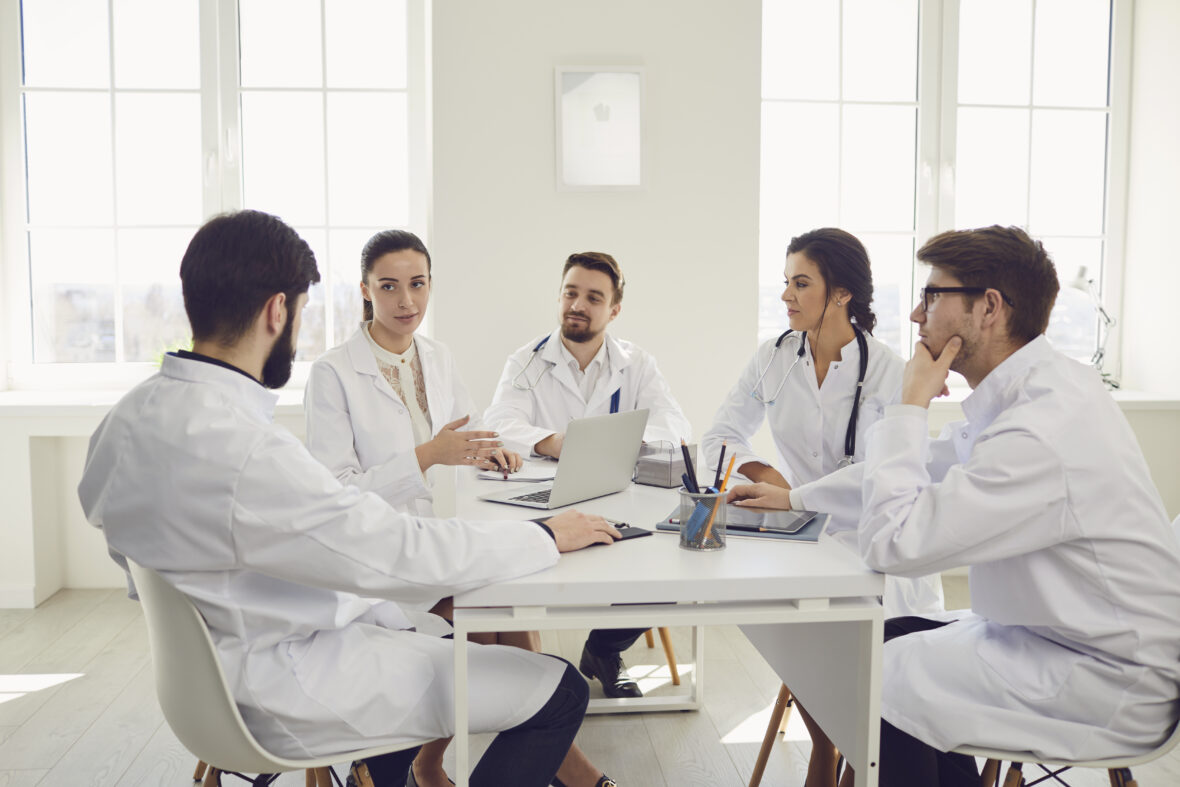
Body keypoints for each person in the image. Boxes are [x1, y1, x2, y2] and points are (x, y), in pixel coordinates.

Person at [77, 210, 625, 787]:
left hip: (198, 687)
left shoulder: (124, 421)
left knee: (468, 632)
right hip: (287, 688)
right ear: (277, 310)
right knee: (559, 689)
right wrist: (544, 534)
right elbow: (394, 553)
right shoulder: (252, 450)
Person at [730, 225, 1180, 786]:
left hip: (1107, 674)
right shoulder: (1040, 388)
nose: (917, 316)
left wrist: (911, 403)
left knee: (882, 676)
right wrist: (796, 498)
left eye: (931, 297)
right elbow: (940, 462)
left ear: (988, 308)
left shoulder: (1042, 430)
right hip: (1054, 630)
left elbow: (894, 543)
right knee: (884, 640)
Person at [304, 229, 614, 787]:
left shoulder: (438, 357)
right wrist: (426, 457)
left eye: (418, 285)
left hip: (440, 539)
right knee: (490, 615)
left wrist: (490, 452)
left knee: (499, 609)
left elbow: (469, 432)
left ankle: (432, 762)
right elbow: (337, 500)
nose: (407, 302)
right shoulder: (332, 373)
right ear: (365, 291)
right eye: (390, 287)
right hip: (377, 558)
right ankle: (572, 774)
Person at [703, 228, 942, 786]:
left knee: (854, 644)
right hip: (799, 535)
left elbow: (885, 470)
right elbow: (720, 434)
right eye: (786, 282)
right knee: (788, 627)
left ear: (841, 294)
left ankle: (858, 752)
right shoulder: (775, 357)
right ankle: (825, 742)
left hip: (872, 541)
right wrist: (770, 476)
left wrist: (797, 496)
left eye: (801, 283)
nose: (786, 295)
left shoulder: (888, 369)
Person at [483, 251, 692, 699]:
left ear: (614, 310)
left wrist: (621, 442)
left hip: (618, 494)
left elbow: (676, 426)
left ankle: (604, 648)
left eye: (593, 297)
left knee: (672, 569)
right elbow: (500, 422)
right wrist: (554, 442)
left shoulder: (637, 364)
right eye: (570, 293)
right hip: (548, 497)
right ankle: (532, 690)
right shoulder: (526, 361)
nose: (577, 304)